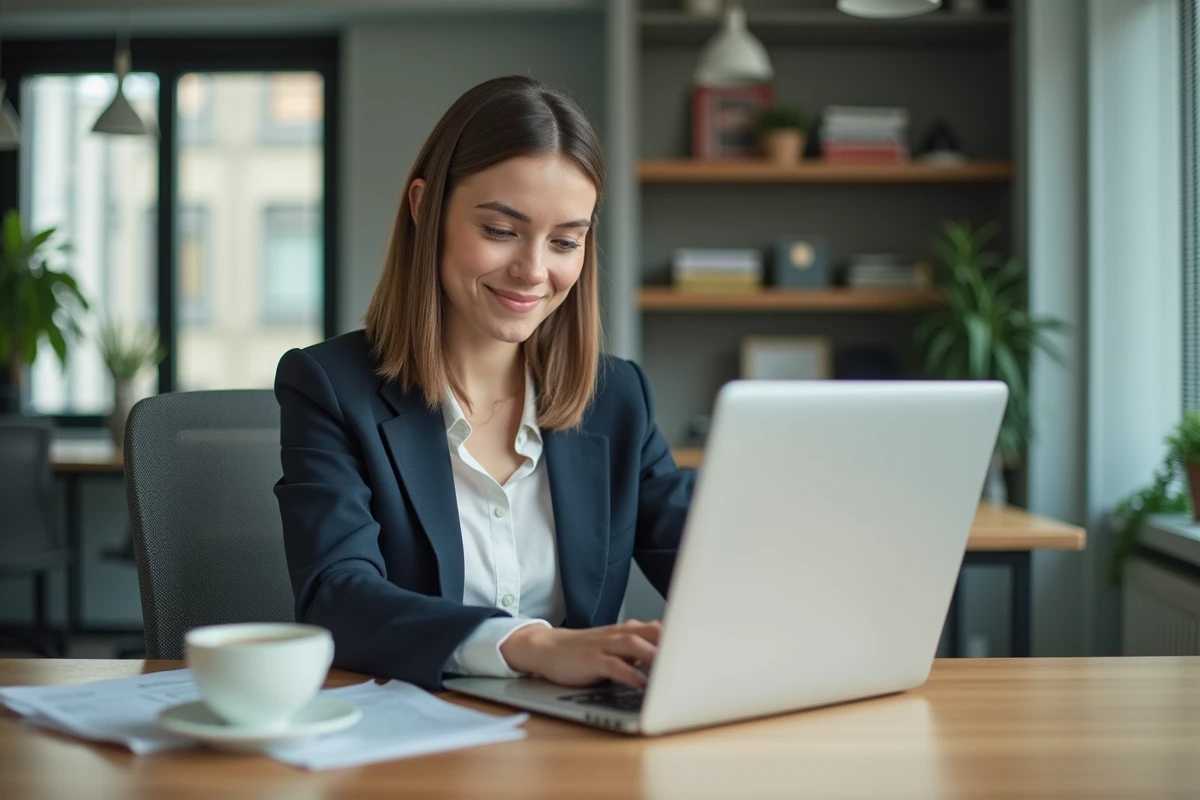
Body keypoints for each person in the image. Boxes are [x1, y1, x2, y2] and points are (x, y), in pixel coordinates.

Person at [274, 75, 695, 693]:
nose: (533, 271)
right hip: (409, 732)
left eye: (565, 242)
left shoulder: (618, 398)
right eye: (500, 231)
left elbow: (715, 566)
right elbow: (336, 596)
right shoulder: (331, 388)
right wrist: (531, 645)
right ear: (425, 207)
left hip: (573, 739)